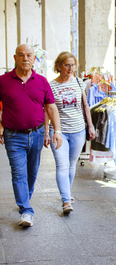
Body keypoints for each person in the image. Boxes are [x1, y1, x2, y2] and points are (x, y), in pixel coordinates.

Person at [0, 44, 62, 227]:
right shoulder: (3, 81)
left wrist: (56, 131)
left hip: (37, 134)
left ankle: (24, 198)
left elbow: (51, 108)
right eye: (21, 55)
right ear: (15, 58)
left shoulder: (42, 81)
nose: (25, 58)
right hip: (13, 136)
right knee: (18, 173)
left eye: (28, 55)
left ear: (34, 59)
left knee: (32, 173)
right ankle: (26, 210)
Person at [45, 51, 95, 214]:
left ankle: (67, 192)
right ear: (58, 66)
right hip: (59, 131)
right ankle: (66, 200)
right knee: (62, 165)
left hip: (78, 130)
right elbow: (47, 111)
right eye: (67, 65)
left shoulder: (79, 82)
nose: (70, 68)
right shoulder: (51, 85)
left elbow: (85, 106)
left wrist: (91, 125)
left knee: (72, 164)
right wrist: (46, 131)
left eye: (73, 65)